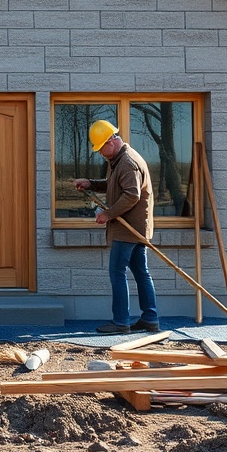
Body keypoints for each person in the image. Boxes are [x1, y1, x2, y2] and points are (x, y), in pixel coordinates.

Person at [74, 120, 159, 334]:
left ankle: (121, 322)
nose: (101, 153)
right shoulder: (119, 159)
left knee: (117, 272)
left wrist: (107, 214)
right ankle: (150, 318)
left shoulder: (127, 163)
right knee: (141, 272)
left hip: (128, 229)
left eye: (101, 147)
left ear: (111, 141)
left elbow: (131, 195)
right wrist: (91, 184)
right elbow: (115, 185)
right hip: (137, 226)